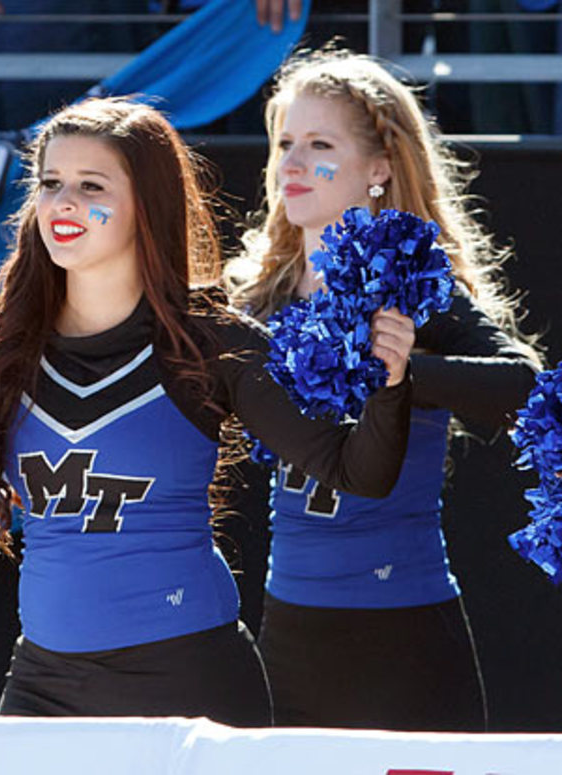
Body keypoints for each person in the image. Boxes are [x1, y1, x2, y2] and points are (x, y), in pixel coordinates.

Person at [0, 96, 417, 723]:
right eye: (50, 184)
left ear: (146, 206)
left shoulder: (212, 342)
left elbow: (358, 472)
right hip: (43, 680)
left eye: (90, 185)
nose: (63, 204)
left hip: (187, 677)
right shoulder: (4, 344)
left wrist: (392, 382)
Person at [225, 51, 542, 731]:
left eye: (319, 144)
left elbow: (524, 386)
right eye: (285, 143)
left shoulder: (418, 291)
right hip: (290, 631)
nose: (292, 163)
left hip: (404, 635)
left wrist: (397, 373)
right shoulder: (259, 300)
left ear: (379, 168)